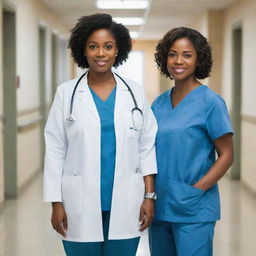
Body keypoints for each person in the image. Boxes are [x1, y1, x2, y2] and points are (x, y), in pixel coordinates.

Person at [43, 13, 158, 256]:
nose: (101, 53)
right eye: (93, 46)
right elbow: (55, 150)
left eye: (108, 46)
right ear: (83, 50)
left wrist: (149, 196)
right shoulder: (67, 93)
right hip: (78, 203)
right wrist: (56, 203)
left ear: (118, 50)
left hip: (128, 202)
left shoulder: (135, 93)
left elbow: (146, 147)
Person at [149, 27, 234, 256]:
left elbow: (226, 155)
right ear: (165, 58)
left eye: (187, 55)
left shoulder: (211, 103)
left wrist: (197, 190)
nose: (179, 61)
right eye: (173, 54)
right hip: (160, 205)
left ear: (198, 60)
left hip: (194, 208)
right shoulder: (158, 104)